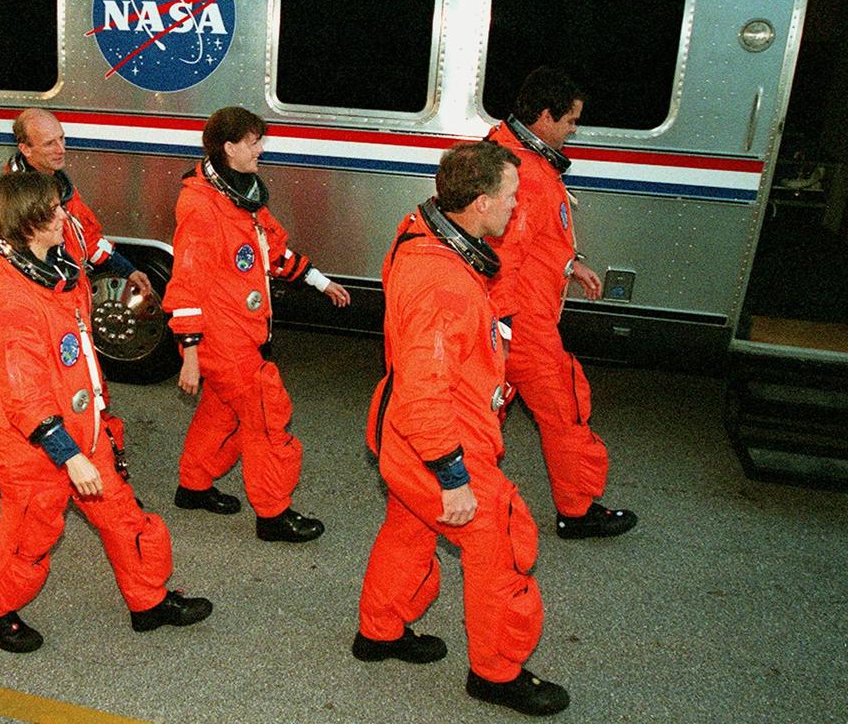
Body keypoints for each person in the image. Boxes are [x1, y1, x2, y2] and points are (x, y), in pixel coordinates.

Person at [355, 141, 569, 716]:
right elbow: (427, 385)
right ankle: (496, 674)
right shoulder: (440, 279)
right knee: (498, 539)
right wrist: (453, 474)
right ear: (477, 203)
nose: (517, 208)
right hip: (438, 438)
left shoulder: (422, 232)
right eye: (510, 198)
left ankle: (379, 631)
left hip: (409, 430)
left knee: (408, 529)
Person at [0, 171, 211, 653]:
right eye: (54, 212)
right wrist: (67, 453)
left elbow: (75, 357)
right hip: (37, 447)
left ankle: (149, 602)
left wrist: (95, 421)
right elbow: (23, 390)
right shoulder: (11, 297)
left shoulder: (63, 271)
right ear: (26, 225)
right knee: (28, 536)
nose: (65, 216)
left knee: (124, 517)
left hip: (87, 431)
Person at [164, 106, 350, 542]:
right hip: (220, 338)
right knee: (267, 415)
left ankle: (193, 485)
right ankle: (273, 513)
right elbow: (185, 282)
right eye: (254, 143)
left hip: (241, 332)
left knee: (221, 410)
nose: (261, 150)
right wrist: (189, 354)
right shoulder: (202, 208)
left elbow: (274, 251)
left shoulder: (241, 196)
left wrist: (320, 282)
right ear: (229, 148)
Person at [486, 67, 637, 539]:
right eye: (571, 120)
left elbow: (533, 239)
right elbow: (503, 257)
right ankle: (577, 509)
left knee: (483, 413)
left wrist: (570, 266)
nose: (575, 129)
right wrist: (508, 330)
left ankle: (450, 495)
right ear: (546, 116)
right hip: (522, 319)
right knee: (565, 407)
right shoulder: (524, 173)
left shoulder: (514, 156)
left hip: (513, 315)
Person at [0, 107, 151, 471]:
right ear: (25, 149)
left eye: (62, 139)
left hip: (73, 311)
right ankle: (74, 461)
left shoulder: (57, 188)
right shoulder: (15, 206)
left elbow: (87, 235)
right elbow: (5, 284)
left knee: (93, 392)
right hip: (47, 320)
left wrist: (127, 269)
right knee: (55, 399)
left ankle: (106, 469)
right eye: (49, 143)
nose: (61, 149)